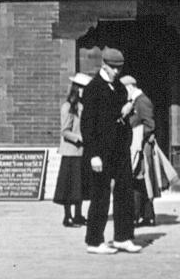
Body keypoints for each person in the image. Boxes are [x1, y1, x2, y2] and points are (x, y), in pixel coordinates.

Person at [80, 47, 142, 255]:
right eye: (114, 67)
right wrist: (94, 154)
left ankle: (123, 237)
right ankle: (94, 241)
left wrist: (127, 110)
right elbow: (87, 125)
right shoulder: (93, 89)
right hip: (101, 151)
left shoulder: (119, 88)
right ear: (104, 64)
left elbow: (119, 116)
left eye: (120, 68)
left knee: (124, 192)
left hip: (120, 149)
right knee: (100, 195)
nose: (117, 71)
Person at [53, 72, 91, 227]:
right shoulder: (68, 106)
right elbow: (64, 130)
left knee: (79, 185)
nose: (83, 90)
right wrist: (78, 138)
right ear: (75, 88)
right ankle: (67, 216)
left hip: (82, 152)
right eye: (81, 87)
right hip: (71, 152)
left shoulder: (84, 105)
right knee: (68, 186)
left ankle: (78, 215)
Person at [120, 75, 156, 226]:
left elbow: (150, 125)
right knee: (139, 181)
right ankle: (147, 215)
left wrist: (135, 134)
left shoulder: (142, 101)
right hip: (138, 145)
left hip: (140, 147)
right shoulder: (135, 101)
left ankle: (135, 216)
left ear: (130, 87)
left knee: (136, 180)